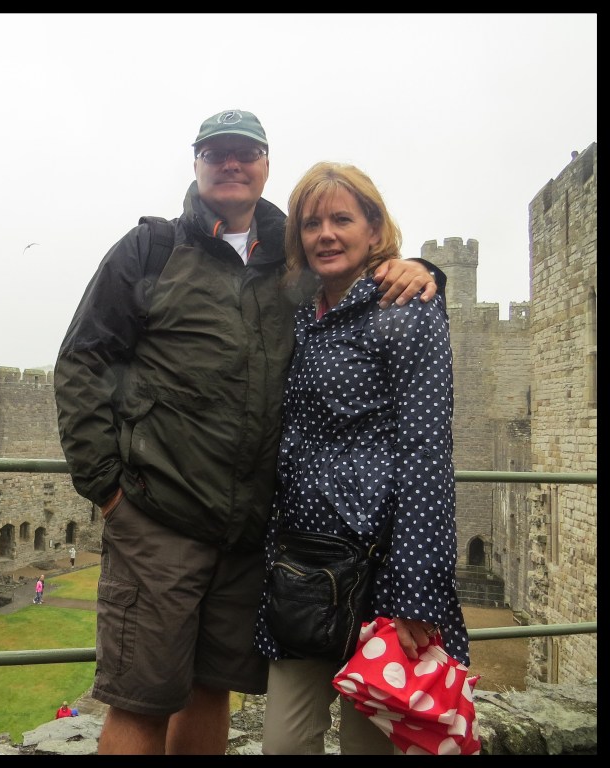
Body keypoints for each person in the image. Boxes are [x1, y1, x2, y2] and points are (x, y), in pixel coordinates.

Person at [53, 109, 442, 755]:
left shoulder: (291, 259)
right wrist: (107, 490)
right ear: (197, 162)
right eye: (216, 153)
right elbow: (82, 362)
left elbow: (359, 275)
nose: (230, 164)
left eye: (245, 152)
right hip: (160, 518)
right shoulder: (149, 248)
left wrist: (422, 267)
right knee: (141, 701)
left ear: (264, 164)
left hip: (248, 536)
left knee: (211, 691)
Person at [253, 161, 469, 755]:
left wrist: (417, 591)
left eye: (342, 219)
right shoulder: (300, 317)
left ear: (374, 230)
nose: (325, 233)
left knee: (367, 748)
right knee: (285, 744)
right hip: (303, 566)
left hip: (380, 569)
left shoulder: (406, 308)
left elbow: (428, 452)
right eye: (312, 222)